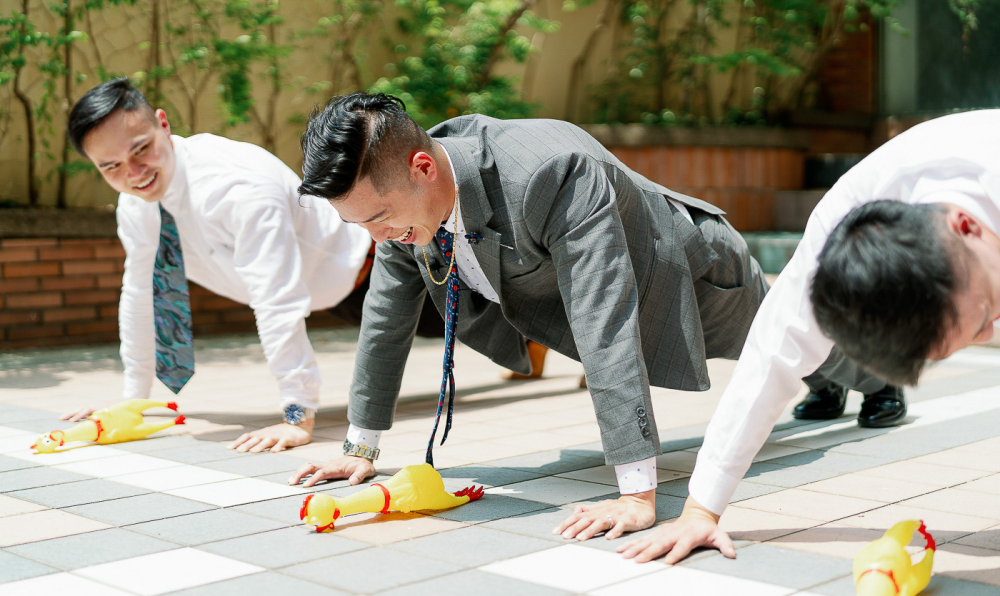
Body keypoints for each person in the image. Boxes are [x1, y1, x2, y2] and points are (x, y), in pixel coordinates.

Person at [284, 92, 883, 537]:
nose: (377, 236)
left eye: (378, 217)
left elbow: (606, 316)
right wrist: (359, 448)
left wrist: (636, 492)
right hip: (592, 293)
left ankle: (877, 382)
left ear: (422, 167)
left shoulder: (550, 170)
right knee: (795, 359)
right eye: (358, 224)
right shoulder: (399, 210)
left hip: (685, 273)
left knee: (790, 339)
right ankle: (825, 385)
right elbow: (386, 316)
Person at [618, 109, 1000, 564]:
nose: (995, 329)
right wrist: (702, 509)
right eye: (981, 332)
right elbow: (770, 358)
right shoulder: (841, 237)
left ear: (967, 226)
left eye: (986, 316)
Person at [60, 77, 374, 453]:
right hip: (323, 293)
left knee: (463, 326)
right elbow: (142, 295)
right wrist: (132, 405)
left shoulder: (238, 186)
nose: (134, 173)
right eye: (111, 167)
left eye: (141, 149)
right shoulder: (136, 205)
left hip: (372, 271)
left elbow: (276, 299)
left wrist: (296, 415)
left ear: (163, 123)